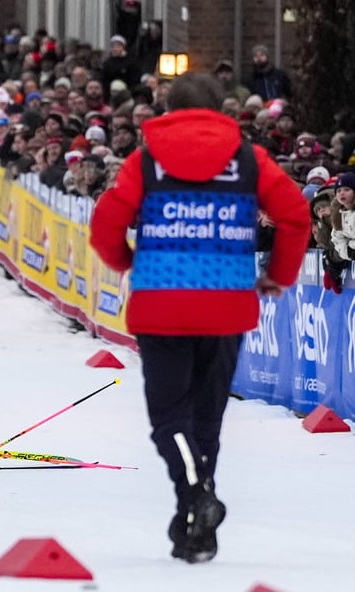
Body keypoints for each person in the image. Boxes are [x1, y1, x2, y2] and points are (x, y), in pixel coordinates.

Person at [89, 73, 310, 564]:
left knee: (170, 418)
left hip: (161, 306)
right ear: (223, 113)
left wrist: (128, 261)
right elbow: (296, 215)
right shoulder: (251, 162)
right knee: (205, 419)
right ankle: (196, 528)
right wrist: (278, 275)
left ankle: (196, 499)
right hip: (227, 308)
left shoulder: (145, 162)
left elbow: (106, 220)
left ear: (168, 110)